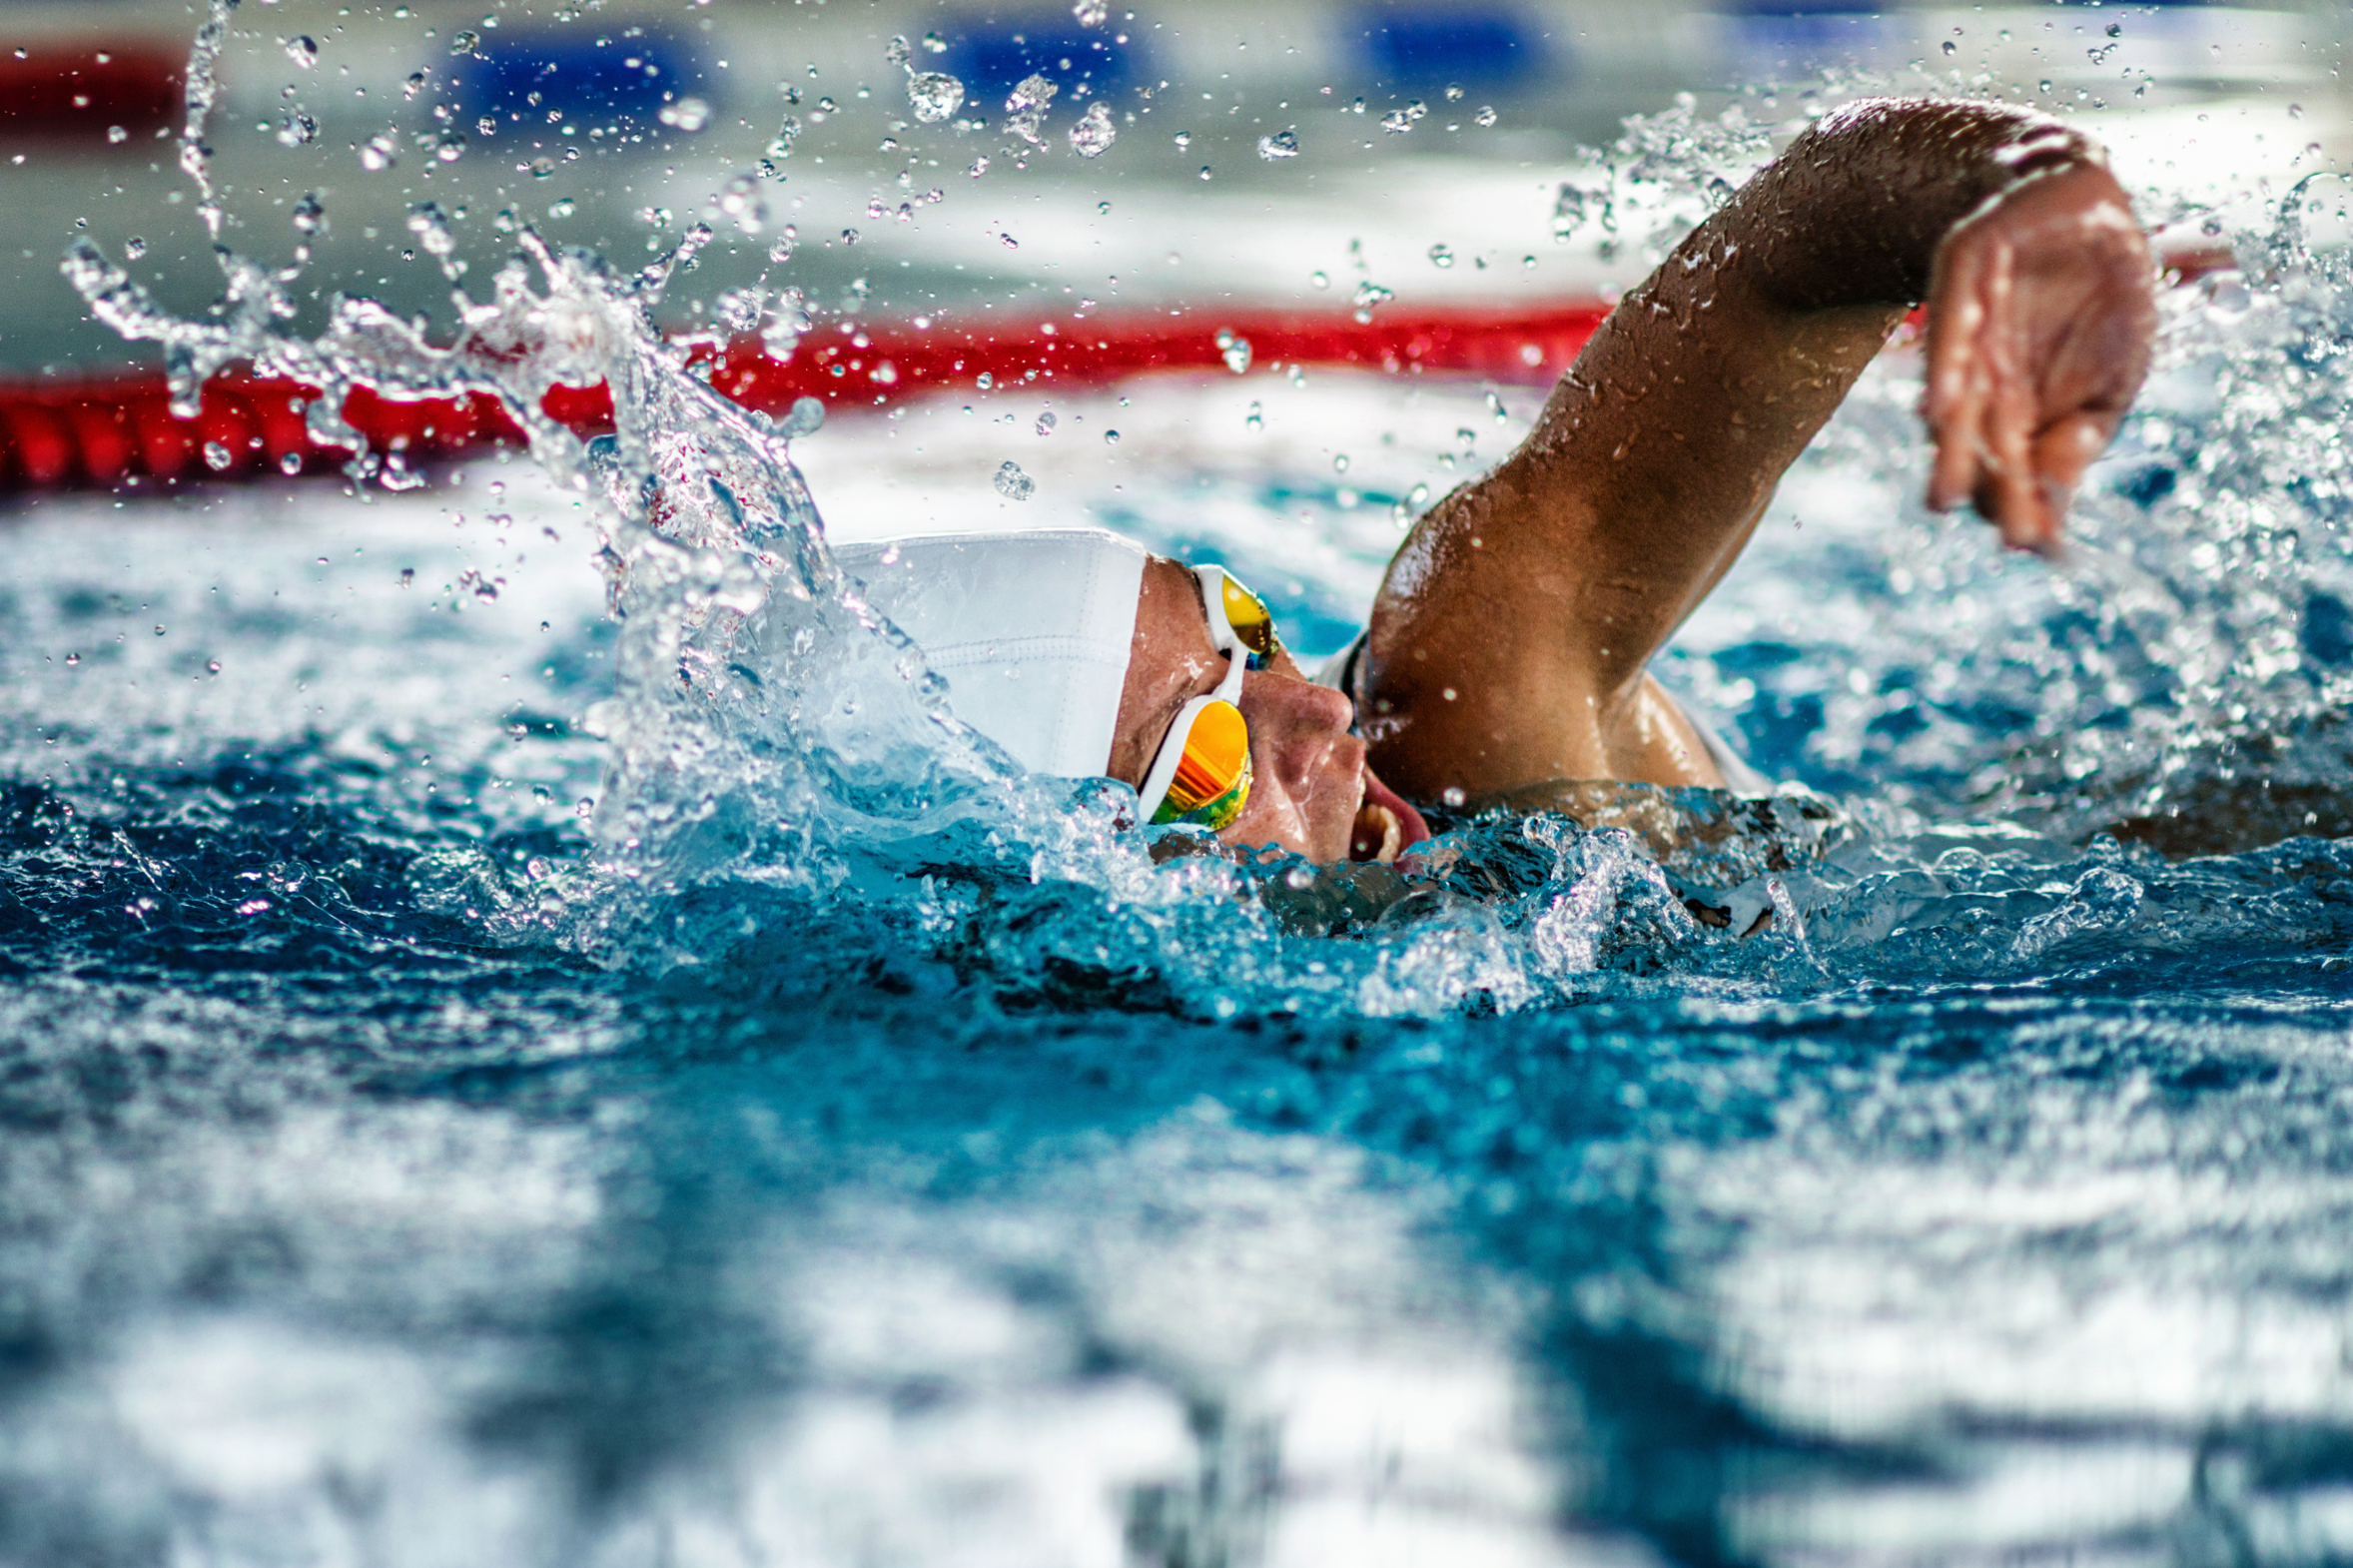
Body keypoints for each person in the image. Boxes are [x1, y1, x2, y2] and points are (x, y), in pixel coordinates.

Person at [839, 96, 2158, 867]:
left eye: (1242, 632)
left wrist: (2026, 186)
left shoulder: (1464, 695)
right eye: (1208, 747)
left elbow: (1776, 273)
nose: (1320, 716)